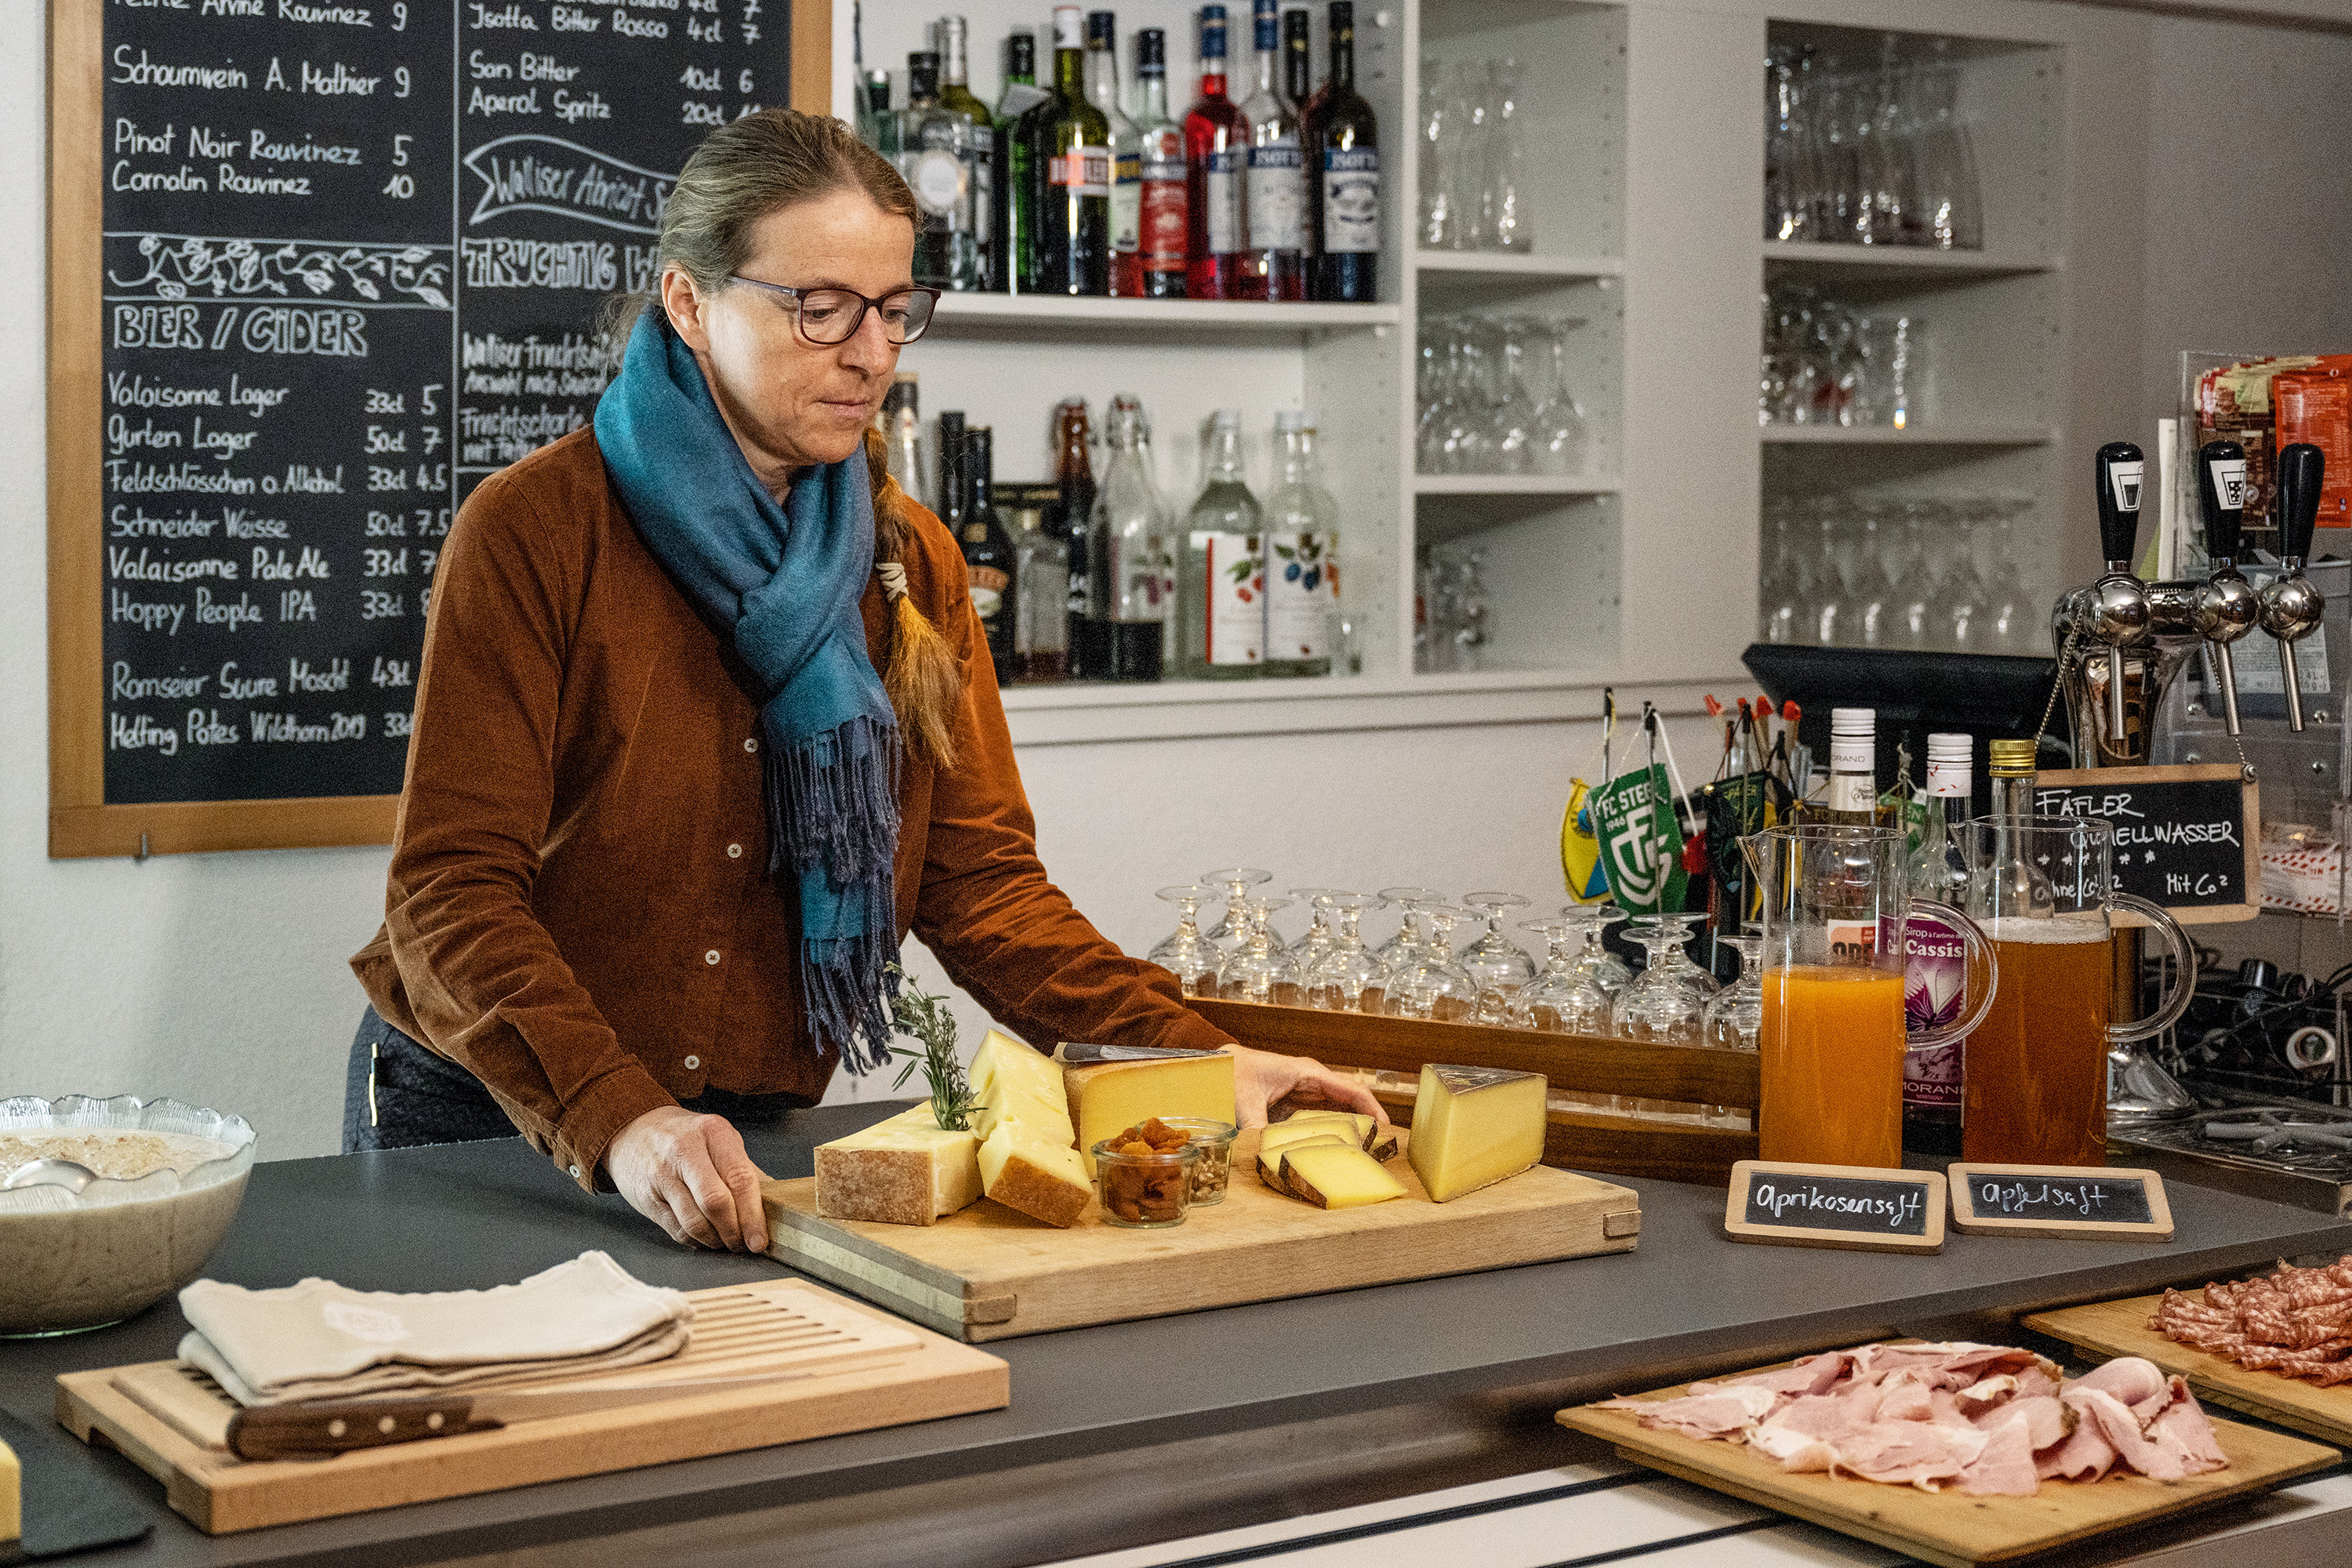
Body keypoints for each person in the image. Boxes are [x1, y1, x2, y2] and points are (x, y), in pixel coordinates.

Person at [347, 110, 1380, 1252]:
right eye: (820, 307)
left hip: (751, 1135)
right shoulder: (537, 529)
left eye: (895, 310)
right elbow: (449, 891)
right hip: (501, 1124)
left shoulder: (914, 562)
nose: (873, 354)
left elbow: (980, 886)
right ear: (689, 304)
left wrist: (1195, 1059)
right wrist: (622, 1116)